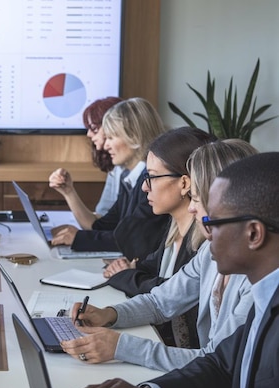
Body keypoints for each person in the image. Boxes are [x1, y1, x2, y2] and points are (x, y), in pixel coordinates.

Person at [64, 152, 279, 388]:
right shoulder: (267, 287)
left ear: (253, 234)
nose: (203, 229)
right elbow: (223, 365)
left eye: (214, 221)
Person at [62, 139, 257, 371]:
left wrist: (121, 347)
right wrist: (109, 314)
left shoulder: (256, 278)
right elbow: (160, 302)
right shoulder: (209, 252)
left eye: (196, 198)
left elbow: (216, 362)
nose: (192, 207)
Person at [50, 98, 170, 261]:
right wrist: (68, 192)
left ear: (134, 137)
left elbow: (131, 240)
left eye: (111, 138)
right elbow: (101, 226)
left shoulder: (151, 183)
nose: (106, 146)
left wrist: (79, 238)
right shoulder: (129, 178)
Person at [103, 126, 213, 298]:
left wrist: (124, 275)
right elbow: (148, 269)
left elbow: (171, 292)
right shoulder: (174, 230)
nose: (144, 187)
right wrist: (129, 269)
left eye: (152, 177)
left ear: (184, 184)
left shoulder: (205, 241)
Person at [49, 96, 122, 217]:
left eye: (94, 128)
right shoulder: (116, 169)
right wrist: (69, 192)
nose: (88, 134)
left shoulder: (138, 172)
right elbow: (102, 220)